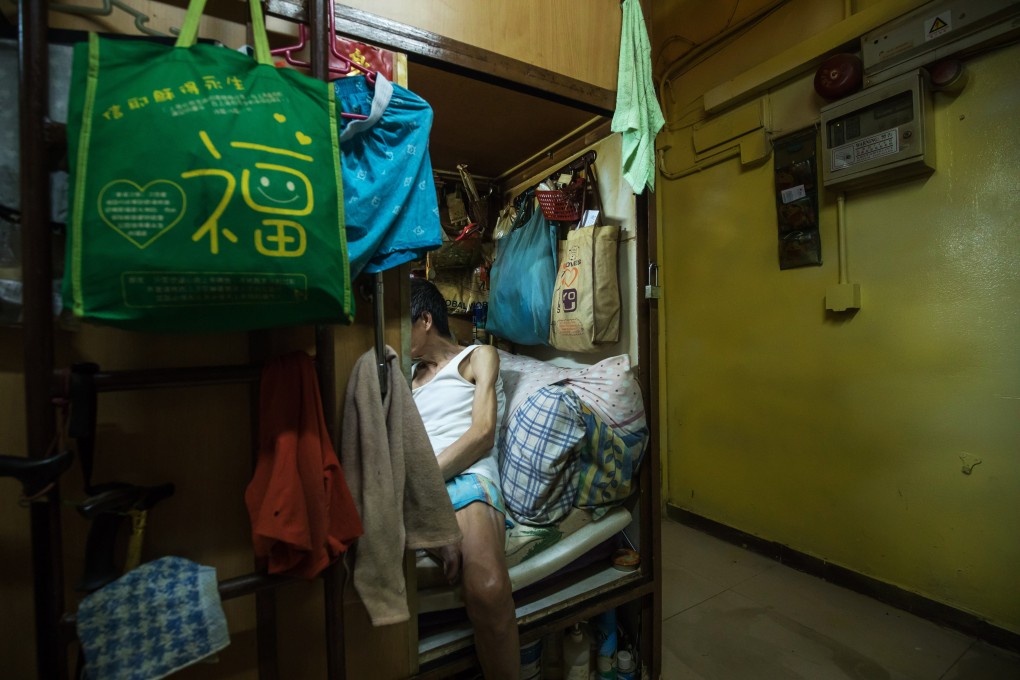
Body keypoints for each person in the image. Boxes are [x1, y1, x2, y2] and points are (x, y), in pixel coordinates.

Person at [409, 277, 519, 680]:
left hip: (467, 475)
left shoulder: (477, 357)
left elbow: (482, 433)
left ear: (423, 320)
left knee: (488, 589)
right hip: (419, 485)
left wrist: (421, 485)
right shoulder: (406, 380)